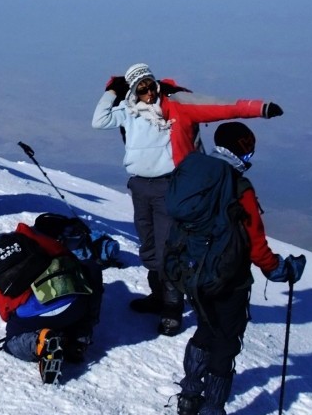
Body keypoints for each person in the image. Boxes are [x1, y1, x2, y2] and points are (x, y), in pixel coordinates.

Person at [91, 63, 283, 336]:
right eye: (140, 88)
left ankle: (172, 309)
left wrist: (261, 108)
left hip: (168, 186)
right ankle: (157, 297)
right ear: (133, 92)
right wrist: (112, 91)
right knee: (148, 245)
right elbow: (98, 121)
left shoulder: (176, 108)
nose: (147, 92)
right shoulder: (128, 112)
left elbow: (223, 108)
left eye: (150, 85)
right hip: (139, 186)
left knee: (168, 246)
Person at [171, 122, 306, 415]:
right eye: (249, 148)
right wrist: (280, 271)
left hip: (192, 273)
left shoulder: (194, 169)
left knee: (205, 330)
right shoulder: (238, 186)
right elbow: (255, 244)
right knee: (226, 344)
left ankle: (189, 397)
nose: (251, 155)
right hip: (228, 279)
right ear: (242, 148)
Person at [0, 214, 115, 384]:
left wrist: (16, 324)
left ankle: (39, 342)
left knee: (11, 342)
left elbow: (4, 311)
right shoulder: (44, 242)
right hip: (73, 307)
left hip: (34, 317)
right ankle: (79, 337)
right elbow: (75, 265)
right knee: (91, 269)